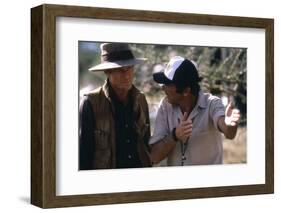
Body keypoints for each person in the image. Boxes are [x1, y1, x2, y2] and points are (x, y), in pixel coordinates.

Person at [150, 56, 241, 166]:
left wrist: (230, 125)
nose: (163, 88)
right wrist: (174, 136)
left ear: (186, 91)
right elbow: (154, 157)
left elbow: (228, 131)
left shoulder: (212, 104)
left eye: (168, 84)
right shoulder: (165, 107)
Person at [79, 43, 151, 170]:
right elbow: (84, 156)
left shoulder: (140, 99)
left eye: (130, 68)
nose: (127, 75)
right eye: (121, 70)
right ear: (107, 71)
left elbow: (146, 145)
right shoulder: (90, 102)